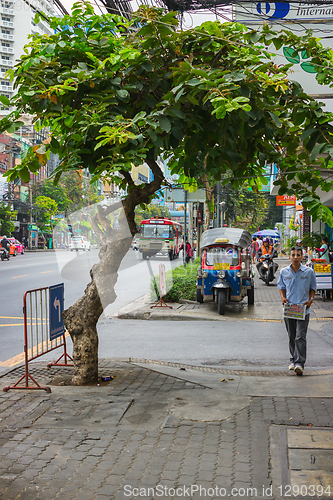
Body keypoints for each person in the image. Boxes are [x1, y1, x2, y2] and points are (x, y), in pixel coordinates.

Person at [277, 246, 317, 376]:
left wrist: (311, 299)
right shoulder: (284, 272)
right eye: (293, 255)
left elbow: (313, 288)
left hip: (303, 309)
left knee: (300, 336)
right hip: (289, 309)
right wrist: (283, 298)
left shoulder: (309, 272)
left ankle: (300, 363)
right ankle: (293, 359)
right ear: (289, 256)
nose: (295, 257)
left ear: (302, 257)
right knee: (292, 336)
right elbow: (281, 287)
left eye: (298, 255)